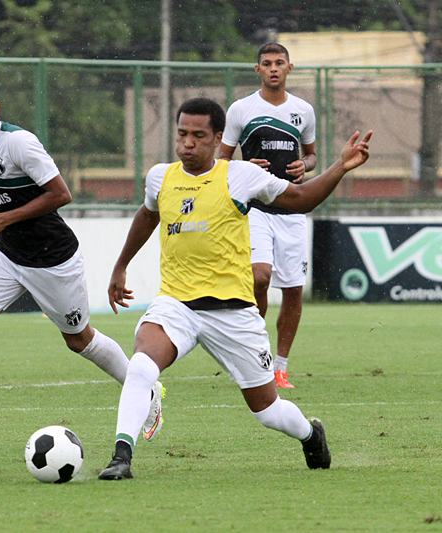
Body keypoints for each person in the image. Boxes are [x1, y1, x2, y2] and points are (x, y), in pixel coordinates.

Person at [98, 97, 371, 480]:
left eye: (198, 135)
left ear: (218, 138)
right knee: (142, 365)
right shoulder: (160, 177)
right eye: (182, 134)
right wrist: (120, 265)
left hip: (233, 314)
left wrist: (340, 166)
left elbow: (301, 199)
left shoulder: (240, 176)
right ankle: (121, 457)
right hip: (176, 305)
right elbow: (148, 214)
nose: (187, 143)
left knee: (268, 412)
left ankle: (311, 434)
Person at [0, 73, 164, 443]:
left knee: (79, 340)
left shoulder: (19, 144)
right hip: (10, 256)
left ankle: (145, 389)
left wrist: (4, 218)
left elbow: (60, 194)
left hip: (54, 259)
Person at [218, 43, 317, 389]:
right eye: (267, 63)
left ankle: (280, 367)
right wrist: (244, 165)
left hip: (291, 210)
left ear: (290, 68)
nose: (273, 68)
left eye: (279, 63)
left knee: (293, 289)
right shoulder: (241, 109)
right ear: (257, 69)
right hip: (255, 208)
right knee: (259, 277)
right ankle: (253, 354)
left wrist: (305, 165)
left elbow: (312, 155)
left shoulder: (303, 110)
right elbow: (221, 161)